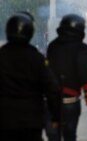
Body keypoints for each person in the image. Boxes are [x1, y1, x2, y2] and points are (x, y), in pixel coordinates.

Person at [0, 13, 61, 141]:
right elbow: (52, 89)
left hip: (5, 119)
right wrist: (55, 116)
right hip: (31, 121)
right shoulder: (37, 59)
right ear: (30, 32)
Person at [46, 14, 87, 141]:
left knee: (53, 137)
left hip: (52, 101)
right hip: (70, 102)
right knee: (70, 136)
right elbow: (82, 71)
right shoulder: (82, 48)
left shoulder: (52, 46)